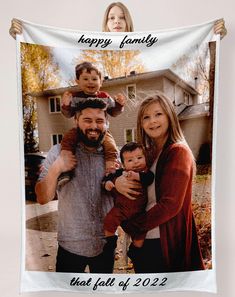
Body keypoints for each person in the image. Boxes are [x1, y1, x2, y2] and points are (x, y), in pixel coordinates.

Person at [114, 91, 205, 273]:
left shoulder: (178, 152)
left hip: (163, 244)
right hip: (146, 240)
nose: (152, 121)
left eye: (158, 114)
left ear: (170, 116)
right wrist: (116, 182)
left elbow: (170, 205)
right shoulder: (149, 153)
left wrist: (133, 226)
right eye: (146, 117)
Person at [35, 98, 118, 273]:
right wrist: (57, 167)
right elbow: (42, 198)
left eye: (99, 121)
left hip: (106, 244)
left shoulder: (114, 157)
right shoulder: (58, 152)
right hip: (69, 245)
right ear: (76, 121)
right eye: (87, 120)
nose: (94, 126)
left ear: (107, 124)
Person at [58, 61, 125, 186]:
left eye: (94, 79)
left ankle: (111, 172)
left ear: (101, 81)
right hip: (80, 130)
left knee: (111, 147)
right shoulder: (75, 97)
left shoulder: (105, 96)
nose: (90, 82)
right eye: (86, 79)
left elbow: (114, 112)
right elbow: (68, 114)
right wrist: (66, 105)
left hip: (102, 132)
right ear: (77, 81)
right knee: (67, 141)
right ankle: (66, 169)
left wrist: (119, 105)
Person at [9, 3, 226, 37]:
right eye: (111, 17)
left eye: (122, 17)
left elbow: (182, 45)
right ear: (105, 23)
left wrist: (211, 35)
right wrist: (24, 35)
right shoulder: (88, 45)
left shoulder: (147, 43)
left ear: (128, 22)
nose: (117, 21)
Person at [102, 142, 154, 248]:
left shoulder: (146, 173)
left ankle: (136, 246)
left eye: (139, 157)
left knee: (142, 229)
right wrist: (107, 183)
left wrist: (137, 176)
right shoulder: (121, 172)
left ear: (145, 158)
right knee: (109, 220)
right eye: (130, 160)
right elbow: (108, 177)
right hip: (121, 208)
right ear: (124, 165)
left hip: (139, 211)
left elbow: (149, 179)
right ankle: (109, 240)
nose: (136, 162)